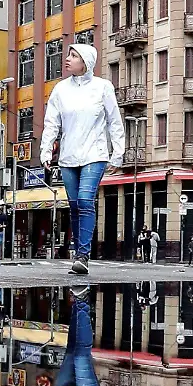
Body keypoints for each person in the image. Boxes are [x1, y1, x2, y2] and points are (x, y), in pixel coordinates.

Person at [41, 43, 124, 276]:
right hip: (68, 157)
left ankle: (82, 255)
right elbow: (51, 123)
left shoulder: (102, 87)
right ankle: (79, 251)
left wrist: (117, 153)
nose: (67, 59)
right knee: (75, 206)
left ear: (86, 61)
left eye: (74, 55)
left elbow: (114, 122)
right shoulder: (60, 89)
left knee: (86, 201)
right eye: (68, 54)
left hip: (95, 154)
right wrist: (46, 151)